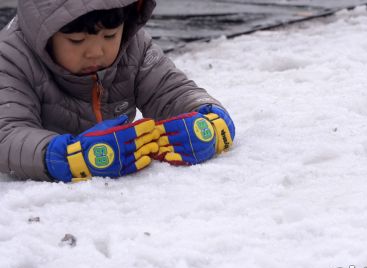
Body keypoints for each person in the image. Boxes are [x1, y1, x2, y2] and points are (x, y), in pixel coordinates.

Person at [0, 0, 235, 182]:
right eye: (76, 40)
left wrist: (212, 123)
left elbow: (174, 91)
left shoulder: (132, 47)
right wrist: (65, 156)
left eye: (109, 36)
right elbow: (6, 135)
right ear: (44, 34)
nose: (95, 52)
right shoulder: (11, 58)